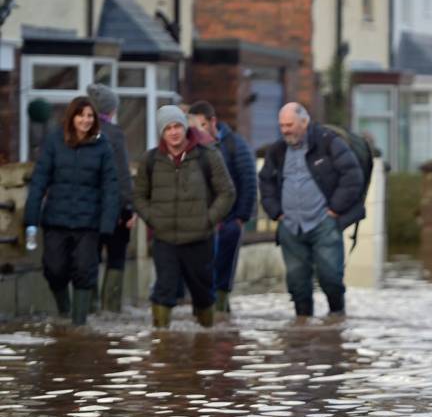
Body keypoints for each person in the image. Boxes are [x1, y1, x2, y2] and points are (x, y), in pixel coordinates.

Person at [133, 105, 236, 328]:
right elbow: (139, 196)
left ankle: (205, 338)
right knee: (164, 290)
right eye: (168, 128)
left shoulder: (207, 155)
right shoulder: (150, 160)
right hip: (165, 238)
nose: (173, 132)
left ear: (185, 127)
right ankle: (161, 339)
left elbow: (227, 192)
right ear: (162, 132)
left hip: (200, 238)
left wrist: (208, 220)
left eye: (177, 126)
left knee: (203, 293)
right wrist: (153, 219)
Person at [259, 102, 364, 318]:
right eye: (282, 126)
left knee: (331, 278)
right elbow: (266, 181)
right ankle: (302, 326)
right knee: (297, 284)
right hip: (290, 226)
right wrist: (275, 212)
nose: (285, 130)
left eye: (289, 125)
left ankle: (337, 320)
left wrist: (334, 210)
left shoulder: (329, 143)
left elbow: (353, 176)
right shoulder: (277, 150)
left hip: (323, 223)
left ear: (304, 122)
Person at [23, 96, 119, 325]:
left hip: (88, 223)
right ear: (71, 117)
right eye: (81, 115)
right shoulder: (54, 142)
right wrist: (31, 219)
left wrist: (107, 224)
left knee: (84, 271)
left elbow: (110, 187)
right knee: (54, 269)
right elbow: (39, 181)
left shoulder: (103, 146)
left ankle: (78, 324)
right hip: (56, 220)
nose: (85, 120)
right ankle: (64, 311)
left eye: (90, 116)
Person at [187, 101, 257, 314]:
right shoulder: (193, 147)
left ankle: (220, 312)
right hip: (202, 223)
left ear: (212, 122)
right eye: (194, 127)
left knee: (223, 271)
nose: (198, 131)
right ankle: (207, 314)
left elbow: (248, 181)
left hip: (229, 220)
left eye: (201, 125)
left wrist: (240, 218)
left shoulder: (235, 145)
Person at [86, 83, 134, 313]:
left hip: (87, 209)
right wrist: (129, 207)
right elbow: (122, 174)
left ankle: (90, 308)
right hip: (113, 208)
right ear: (111, 110)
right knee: (116, 257)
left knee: (89, 258)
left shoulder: (81, 133)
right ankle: (111, 310)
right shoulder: (115, 135)